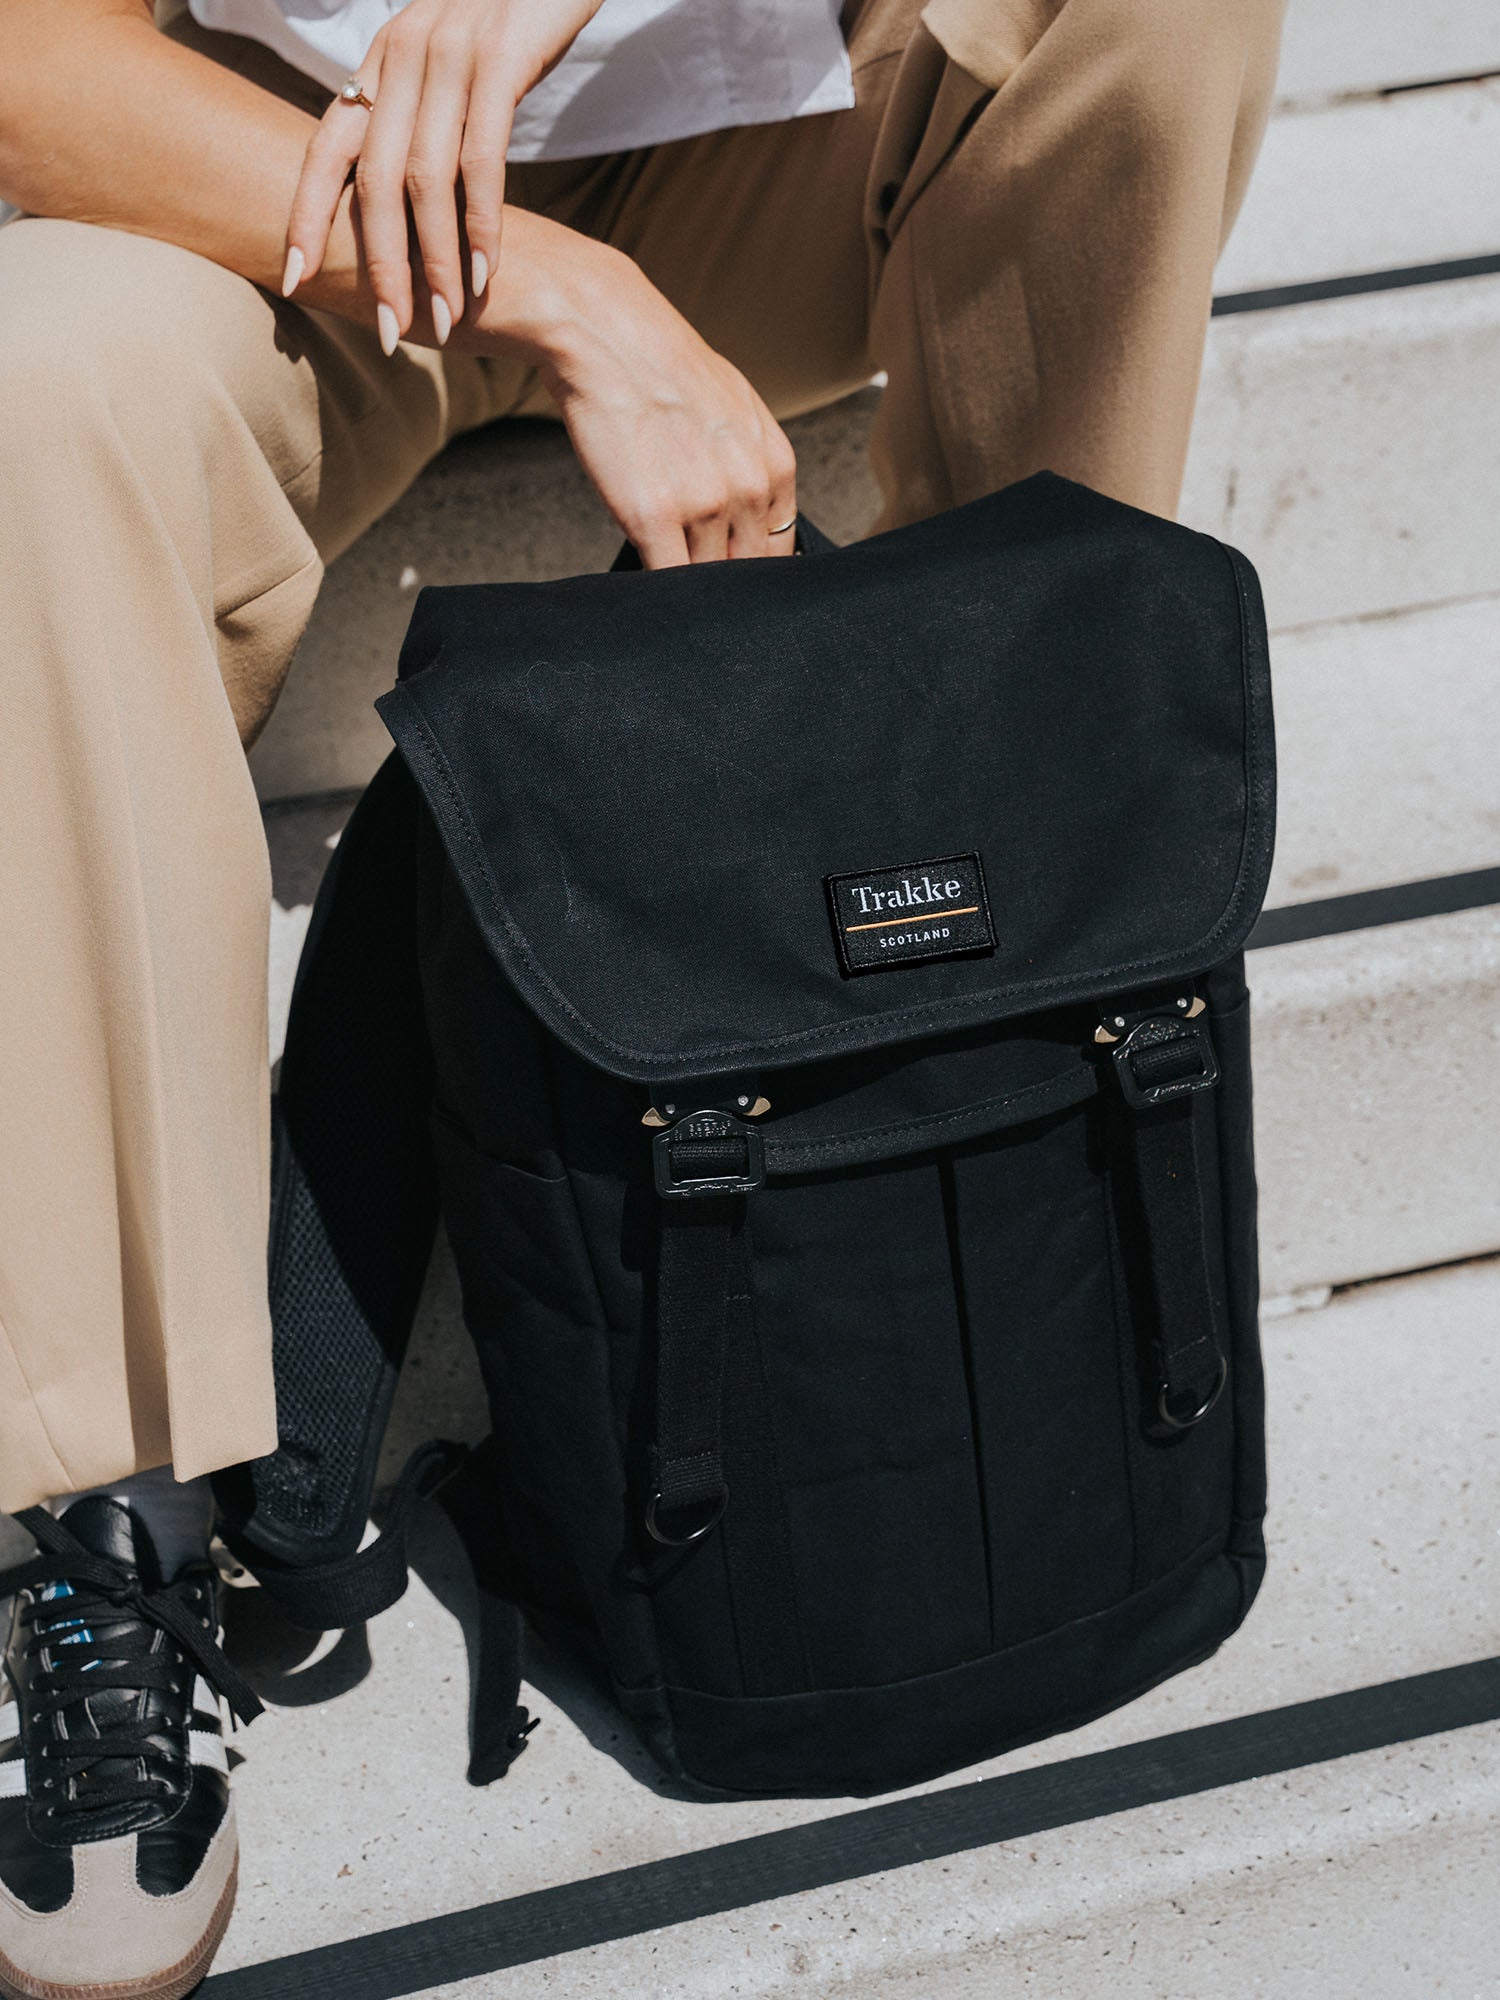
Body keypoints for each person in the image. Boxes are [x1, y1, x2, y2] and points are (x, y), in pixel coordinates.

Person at [0, 0, 1286, 1988]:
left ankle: (1020, 1004)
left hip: (766, 138)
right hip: (257, 180)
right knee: (30, 395)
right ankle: (103, 1510)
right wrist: (554, 287)